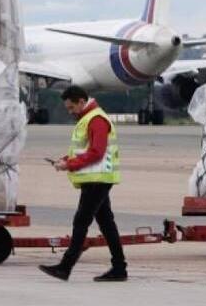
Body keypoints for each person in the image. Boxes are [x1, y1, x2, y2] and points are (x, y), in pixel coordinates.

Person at [38, 85, 127, 282]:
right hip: (96, 179)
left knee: (81, 221)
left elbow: (96, 152)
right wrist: (65, 160)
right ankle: (119, 268)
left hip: (97, 179)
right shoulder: (88, 118)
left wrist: (69, 165)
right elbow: (83, 150)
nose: (70, 112)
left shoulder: (96, 119)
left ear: (81, 101)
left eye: (71, 107)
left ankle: (65, 266)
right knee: (106, 224)